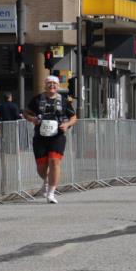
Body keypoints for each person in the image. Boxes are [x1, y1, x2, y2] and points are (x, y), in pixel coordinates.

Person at [23, 76, 78, 204]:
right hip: (40, 137)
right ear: (45, 85)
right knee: (41, 167)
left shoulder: (64, 101)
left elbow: (74, 117)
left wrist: (67, 125)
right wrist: (32, 119)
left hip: (57, 136)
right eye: (49, 83)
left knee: (54, 162)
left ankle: (51, 193)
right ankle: (47, 181)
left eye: (54, 83)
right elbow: (26, 113)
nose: (52, 85)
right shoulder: (37, 99)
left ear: (58, 86)